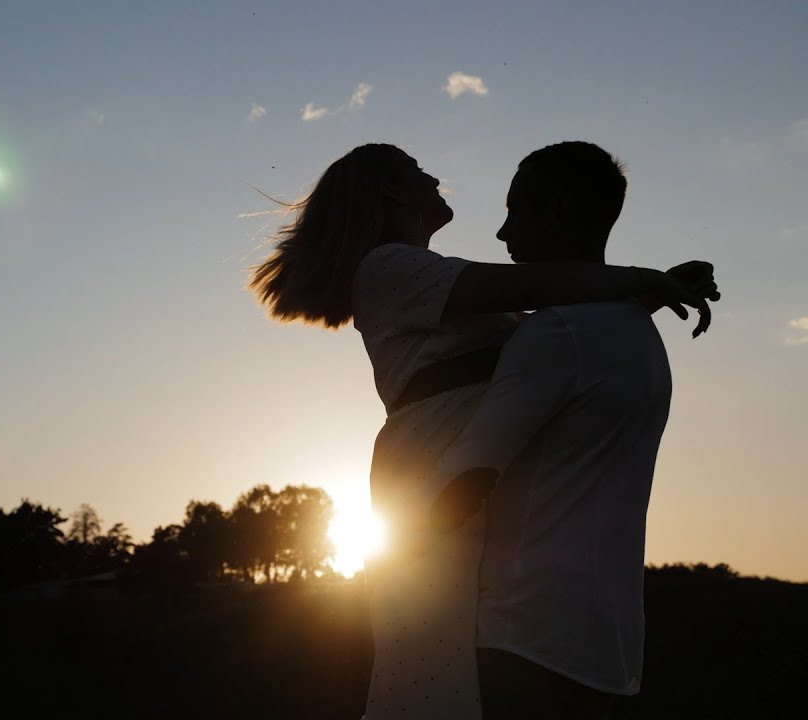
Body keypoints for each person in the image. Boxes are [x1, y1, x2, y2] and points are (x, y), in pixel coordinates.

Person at [247, 142, 715, 719]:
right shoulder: (388, 267)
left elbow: (560, 332)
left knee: (450, 645)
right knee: (434, 644)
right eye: (419, 171)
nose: (435, 176)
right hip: (432, 456)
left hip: (453, 449)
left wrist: (645, 293)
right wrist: (648, 280)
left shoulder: (435, 281)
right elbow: (538, 289)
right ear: (393, 191)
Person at [429, 141, 716, 719]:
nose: (502, 234)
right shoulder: (637, 332)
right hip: (606, 644)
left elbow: (465, 477)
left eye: (515, 211)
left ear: (556, 211)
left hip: (521, 635)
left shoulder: (556, 331)